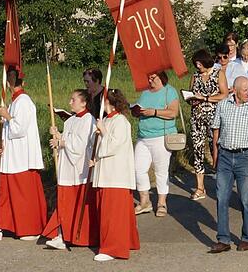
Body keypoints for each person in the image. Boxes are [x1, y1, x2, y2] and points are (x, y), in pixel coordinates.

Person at [0, 68, 46, 241]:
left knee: (22, 194)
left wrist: (6, 115)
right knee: (5, 193)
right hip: (11, 155)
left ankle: (28, 228)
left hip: (21, 157)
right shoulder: (14, 102)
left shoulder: (24, 101)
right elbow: (9, 131)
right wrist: (2, 146)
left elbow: (19, 129)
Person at [209, 77, 248, 254]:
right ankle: (223, 239)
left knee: (245, 199)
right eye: (244, 90)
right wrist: (215, 154)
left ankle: (247, 237)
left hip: (246, 157)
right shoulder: (222, 105)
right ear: (234, 90)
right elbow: (216, 131)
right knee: (222, 198)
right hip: (226, 156)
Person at [42, 89, 97, 250]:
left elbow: (80, 145)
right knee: (65, 202)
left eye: (73, 100)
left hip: (79, 168)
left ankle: (73, 235)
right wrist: (58, 135)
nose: (70, 102)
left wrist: (62, 142)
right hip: (67, 167)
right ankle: (62, 234)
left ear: (84, 102)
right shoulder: (70, 121)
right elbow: (68, 140)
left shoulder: (89, 120)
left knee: (77, 203)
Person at [91, 89, 140, 262]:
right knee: (108, 211)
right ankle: (123, 241)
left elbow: (114, 146)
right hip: (105, 172)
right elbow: (102, 145)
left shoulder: (121, 121)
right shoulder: (105, 120)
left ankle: (112, 248)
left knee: (113, 213)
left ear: (109, 103)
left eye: (103, 102)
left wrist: (103, 131)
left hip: (116, 175)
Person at [132, 71, 180, 218]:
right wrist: (136, 111)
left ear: (161, 77)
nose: (150, 80)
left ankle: (161, 202)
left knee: (161, 170)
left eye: (153, 77)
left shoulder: (169, 91)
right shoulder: (145, 93)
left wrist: (154, 112)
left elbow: (173, 113)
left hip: (161, 136)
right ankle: (145, 200)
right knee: (138, 169)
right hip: (143, 136)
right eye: (149, 77)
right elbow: (140, 108)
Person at [187, 49, 228, 201]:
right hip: (197, 117)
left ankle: (221, 183)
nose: (197, 66)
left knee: (215, 149)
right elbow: (191, 93)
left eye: (199, 63)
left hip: (214, 117)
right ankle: (200, 187)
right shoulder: (195, 76)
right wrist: (192, 99)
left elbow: (224, 94)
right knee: (197, 150)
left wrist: (205, 98)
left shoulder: (218, 74)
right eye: (195, 64)